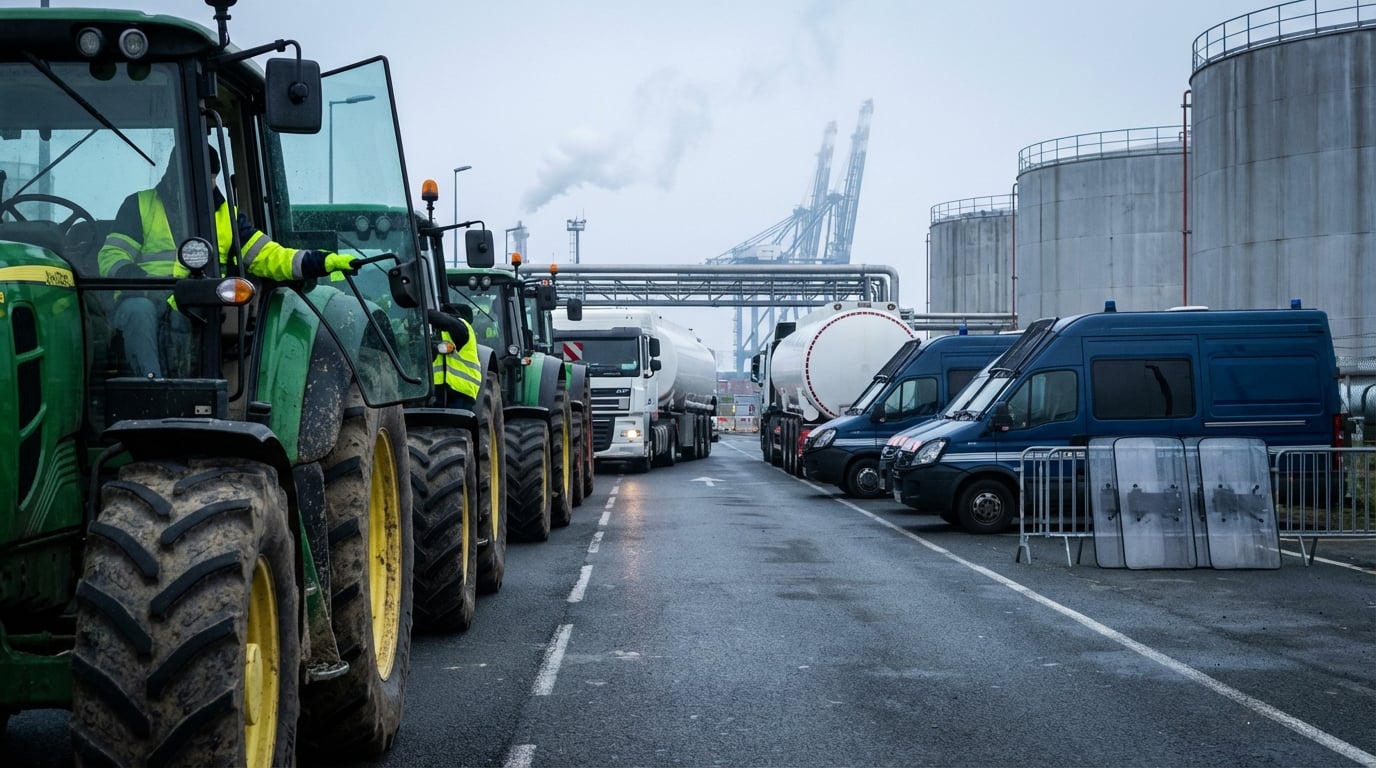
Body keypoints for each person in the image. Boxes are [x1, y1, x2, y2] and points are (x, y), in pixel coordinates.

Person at [98, 145, 357, 377]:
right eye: (202, 176)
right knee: (137, 311)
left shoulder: (228, 218)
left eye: (212, 176)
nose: (209, 183)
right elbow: (112, 256)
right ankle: (150, 386)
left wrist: (322, 261)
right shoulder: (139, 205)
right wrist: (144, 285)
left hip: (199, 302)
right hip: (145, 296)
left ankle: (185, 388)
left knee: (188, 315)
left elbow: (270, 256)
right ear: (174, 174)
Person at [429, 302, 482, 410]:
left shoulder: (461, 326)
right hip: (449, 391)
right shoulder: (449, 332)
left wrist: (422, 311)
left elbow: (441, 319)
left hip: (459, 392)